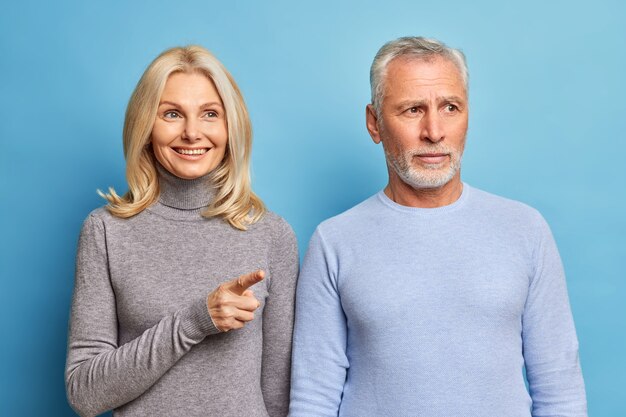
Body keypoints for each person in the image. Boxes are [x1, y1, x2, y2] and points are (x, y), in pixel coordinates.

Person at [289, 36, 587, 416]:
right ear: (374, 122)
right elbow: (313, 398)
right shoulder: (334, 241)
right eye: (413, 110)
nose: (434, 131)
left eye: (450, 107)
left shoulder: (525, 229)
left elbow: (560, 388)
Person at [65, 45, 298, 417]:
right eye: (172, 114)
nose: (192, 133)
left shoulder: (271, 235)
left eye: (210, 114)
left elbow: (278, 392)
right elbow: (84, 393)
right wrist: (194, 321)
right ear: (145, 126)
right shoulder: (105, 231)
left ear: (230, 126)